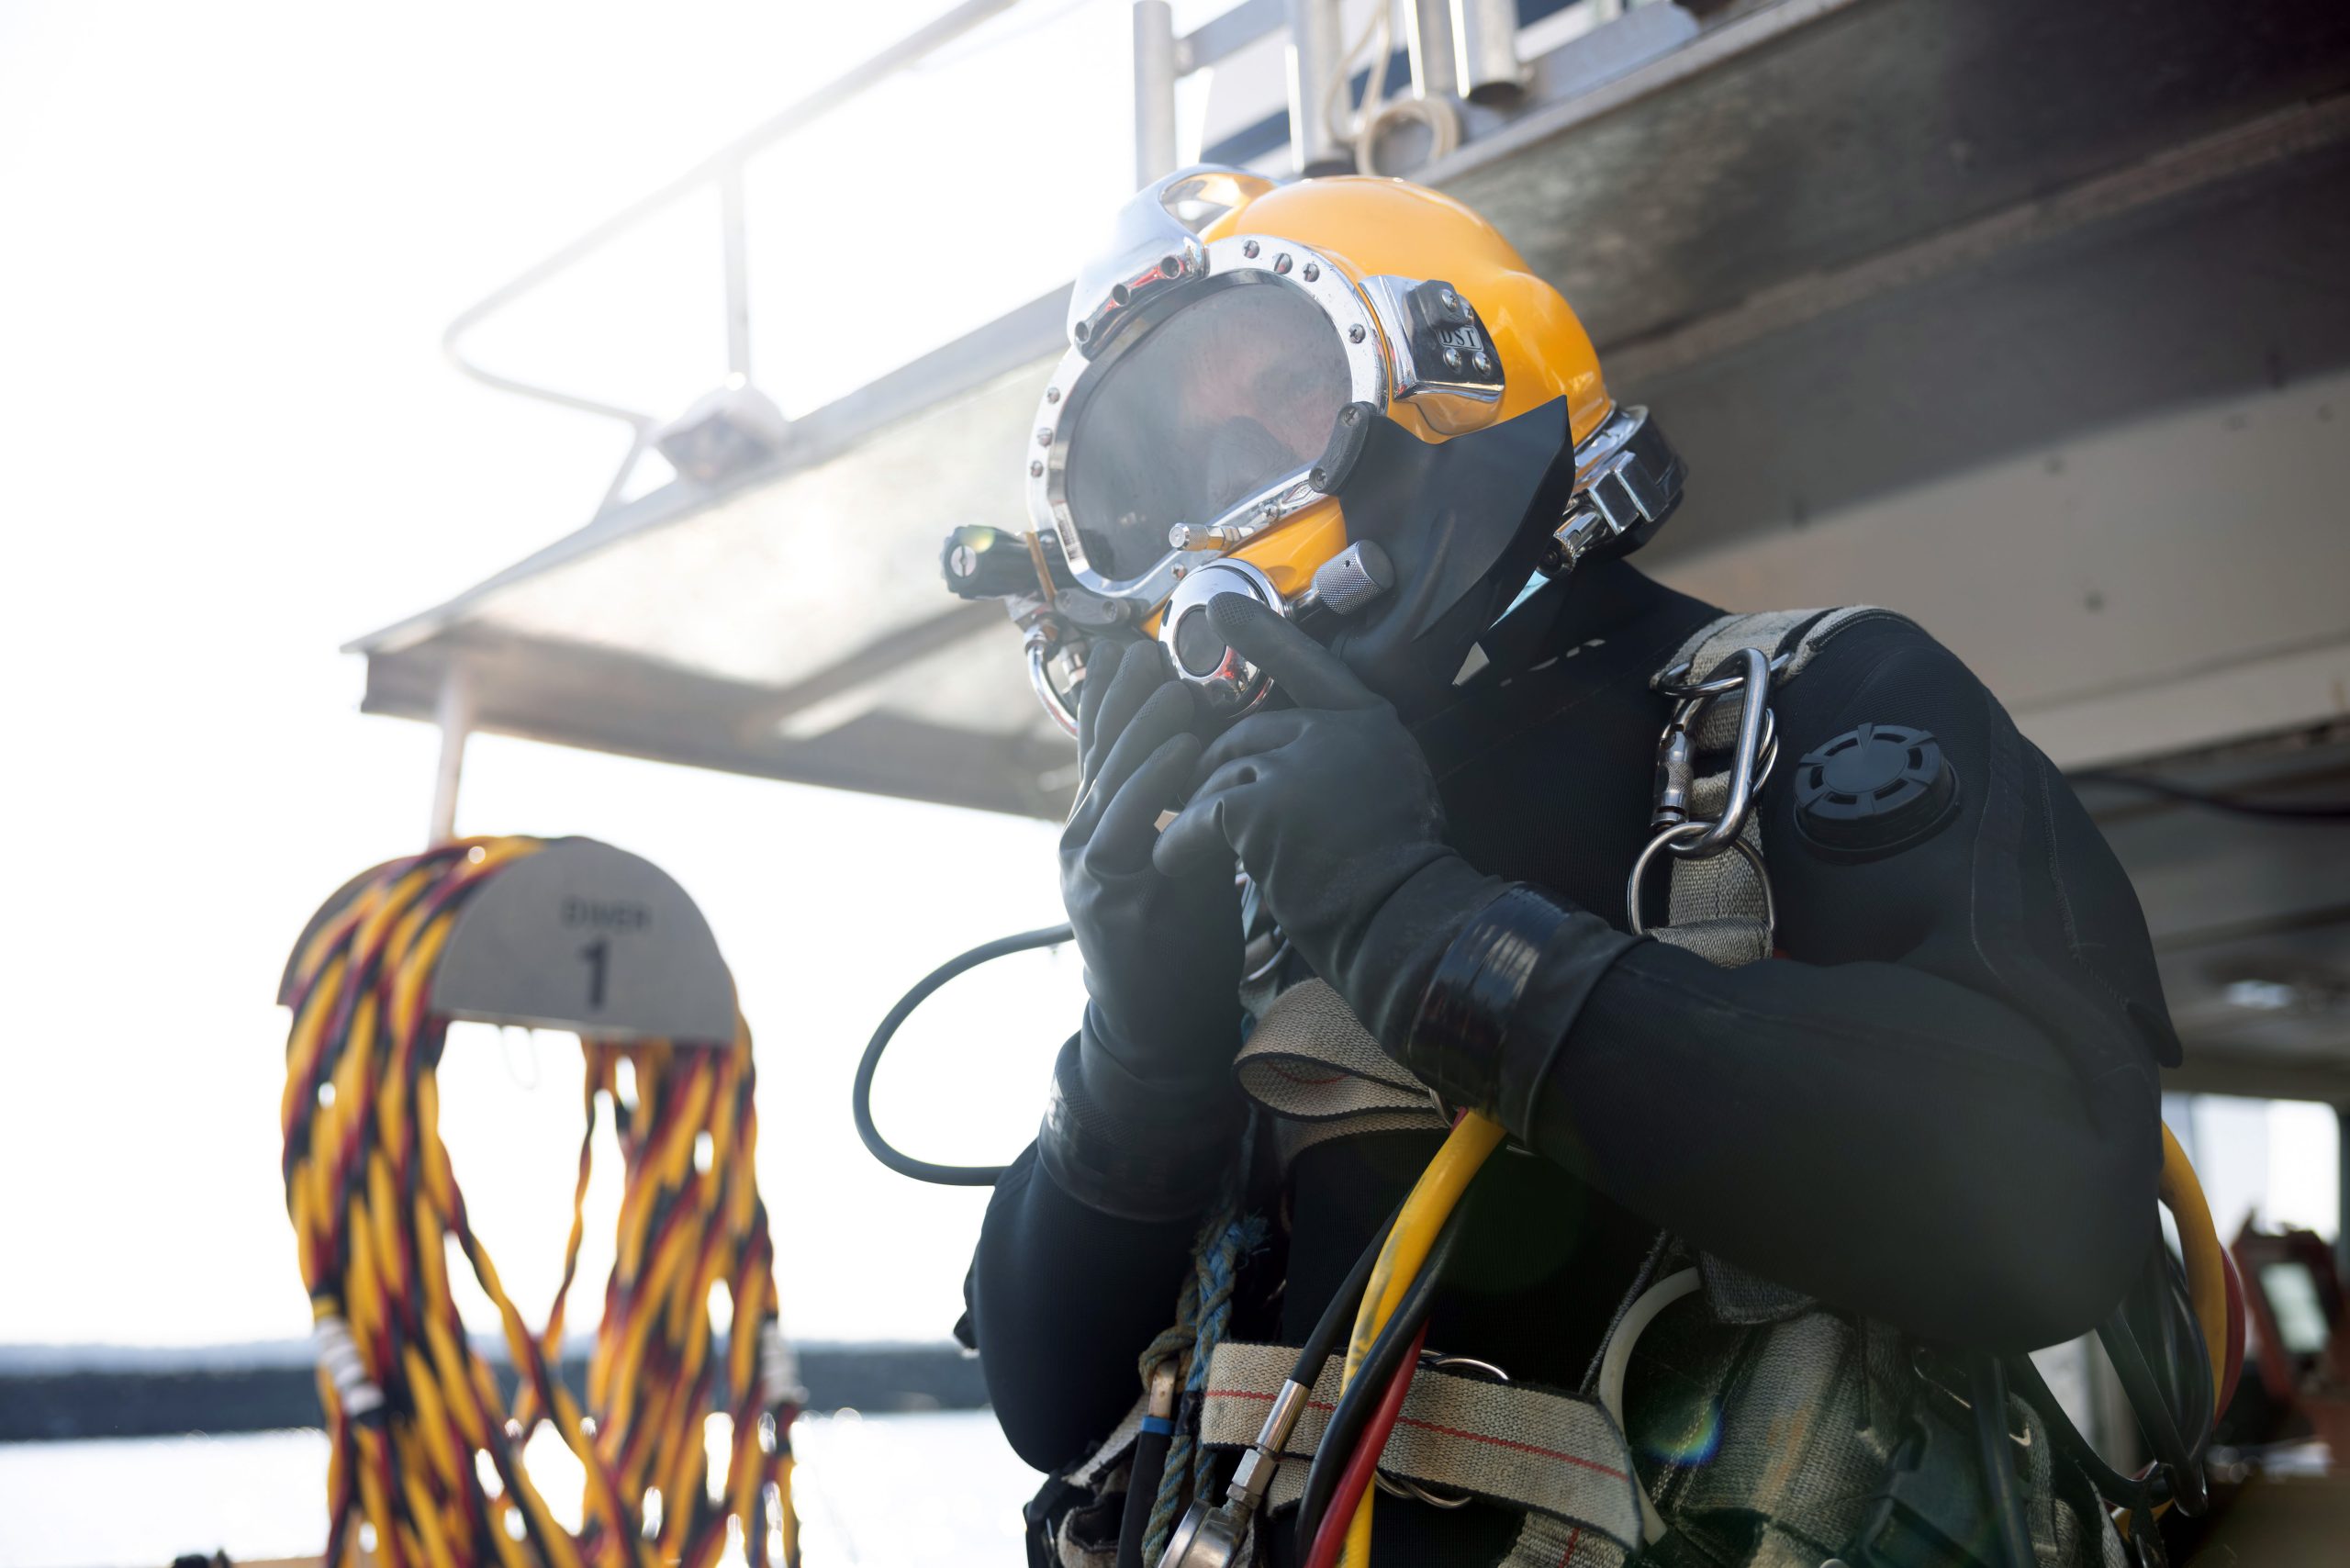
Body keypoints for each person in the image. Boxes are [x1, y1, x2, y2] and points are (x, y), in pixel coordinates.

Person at [955, 168, 2175, 1568]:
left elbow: (2053, 1209)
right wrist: (1138, 1050)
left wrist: (1426, 933)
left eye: (1280, 395)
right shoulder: (1257, 857)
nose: (1221, 497)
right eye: (1163, 473)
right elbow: (1055, 1406)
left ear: (1459, 363)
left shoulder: (1805, 702)